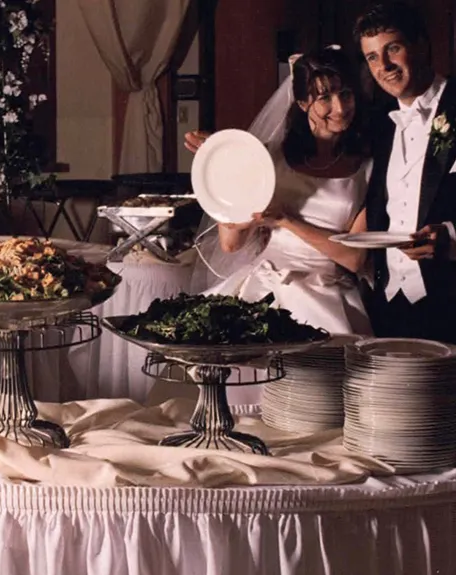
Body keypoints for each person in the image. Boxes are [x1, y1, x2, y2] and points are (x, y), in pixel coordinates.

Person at [186, 47, 375, 336]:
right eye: (324, 97)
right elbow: (231, 244)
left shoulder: (369, 167)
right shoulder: (269, 159)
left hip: (328, 292)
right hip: (265, 285)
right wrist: (227, 163)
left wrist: (285, 220)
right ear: (301, 103)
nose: (339, 108)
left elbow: (354, 258)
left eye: (346, 94)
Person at [354, 2, 456, 344]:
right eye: (372, 57)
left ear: (422, 45)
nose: (383, 66)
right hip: (389, 308)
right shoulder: (380, 126)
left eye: (392, 49)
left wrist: (452, 239)